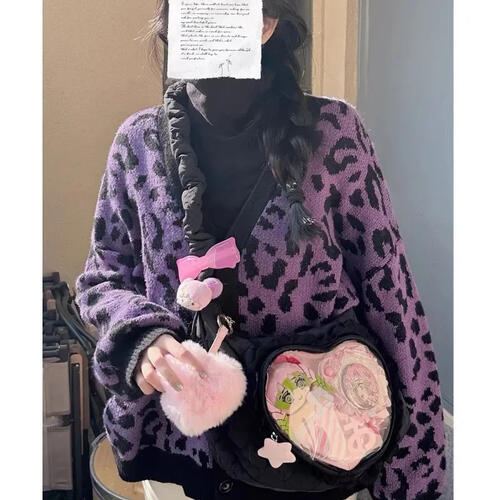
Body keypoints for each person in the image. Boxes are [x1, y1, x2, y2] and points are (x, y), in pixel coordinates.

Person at [75, 1, 447, 499]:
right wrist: (142, 338)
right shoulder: (136, 145)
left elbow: (391, 296)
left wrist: (413, 473)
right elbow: (103, 277)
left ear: (268, 23)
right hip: (187, 446)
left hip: (313, 440)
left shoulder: (334, 133)